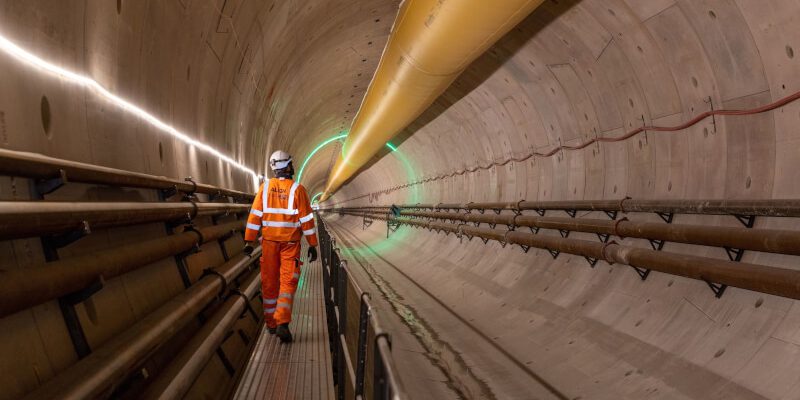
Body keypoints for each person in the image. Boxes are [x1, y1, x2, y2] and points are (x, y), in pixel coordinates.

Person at [243, 150, 318, 343]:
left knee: (269, 282)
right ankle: (282, 321)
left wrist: (249, 240)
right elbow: (307, 220)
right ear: (288, 166)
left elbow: (254, 215)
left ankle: (271, 324)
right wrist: (312, 244)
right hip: (290, 244)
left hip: (269, 244)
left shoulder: (265, 188)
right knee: (287, 282)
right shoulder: (298, 189)